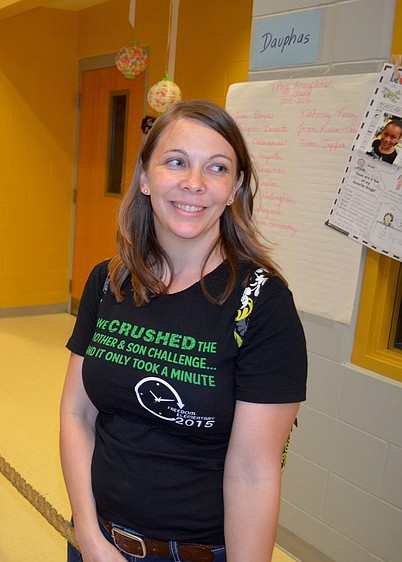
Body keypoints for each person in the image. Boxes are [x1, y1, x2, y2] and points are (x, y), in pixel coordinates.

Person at [60, 100, 307, 562]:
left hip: (192, 552)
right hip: (97, 539)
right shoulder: (109, 281)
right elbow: (77, 414)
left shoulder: (263, 303)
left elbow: (254, 471)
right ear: (145, 177)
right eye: (176, 162)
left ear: (234, 188)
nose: (194, 183)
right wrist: (90, 535)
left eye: (216, 168)